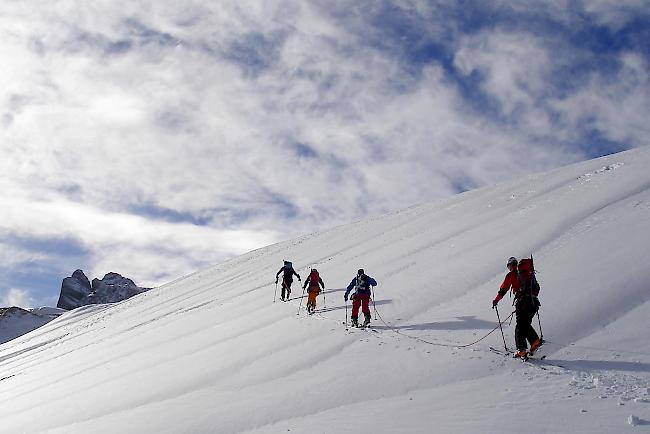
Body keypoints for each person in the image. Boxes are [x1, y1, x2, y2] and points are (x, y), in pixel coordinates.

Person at [492, 257, 542, 358]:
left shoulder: (512, 275)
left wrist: (496, 300)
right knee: (524, 324)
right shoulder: (528, 273)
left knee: (520, 326)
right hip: (534, 303)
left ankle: (521, 350)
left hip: (523, 302)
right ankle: (534, 341)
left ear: (510, 265)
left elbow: (503, 289)